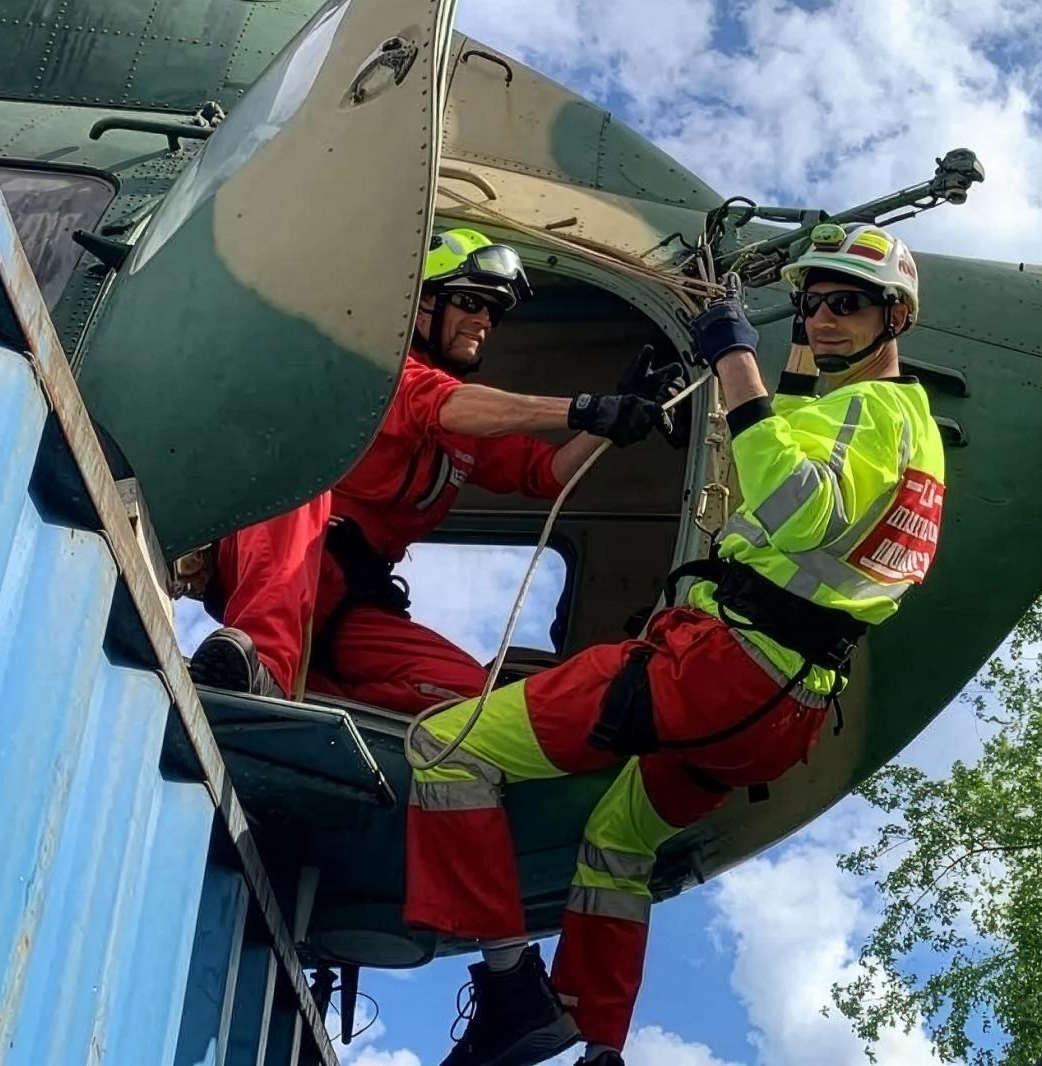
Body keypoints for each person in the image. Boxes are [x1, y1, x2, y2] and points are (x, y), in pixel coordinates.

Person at [402, 222, 947, 1066]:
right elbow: (805, 442)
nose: (828, 317)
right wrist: (789, 353)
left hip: (720, 670)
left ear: (895, 318)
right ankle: (598, 1051)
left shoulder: (870, 408)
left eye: (850, 304)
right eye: (814, 305)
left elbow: (797, 499)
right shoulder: (907, 430)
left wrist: (736, 358)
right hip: (785, 711)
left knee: (446, 747)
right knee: (618, 847)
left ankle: (512, 992)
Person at [188, 228, 681, 707]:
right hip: (282, 562)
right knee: (298, 485)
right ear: (423, 303)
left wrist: (610, 424)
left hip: (352, 601)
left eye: (492, 311)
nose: (484, 320)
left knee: (468, 698)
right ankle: (262, 673)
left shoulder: (464, 430)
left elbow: (548, 473)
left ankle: (308, 691)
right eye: (470, 302)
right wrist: (585, 408)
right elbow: (443, 404)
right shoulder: (381, 373)